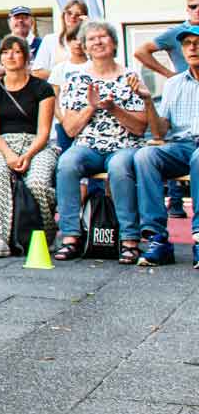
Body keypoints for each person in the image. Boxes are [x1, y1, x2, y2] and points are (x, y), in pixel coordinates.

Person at [53, 19, 152, 262]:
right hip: (88, 146)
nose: (97, 42)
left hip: (124, 146)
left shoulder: (130, 76)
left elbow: (140, 128)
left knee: (119, 166)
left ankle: (129, 240)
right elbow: (70, 129)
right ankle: (70, 237)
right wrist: (92, 106)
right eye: (91, 39)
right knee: (67, 163)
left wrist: (114, 109)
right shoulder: (76, 79)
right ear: (85, 46)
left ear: (114, 43)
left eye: (103, 37)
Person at [0, 35, 58, 259]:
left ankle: (46, 234)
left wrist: (28, 154)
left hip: (36, 144)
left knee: (37, 183)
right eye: (5, 52)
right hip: (1, 144)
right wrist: (9, 154)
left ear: (26, 56)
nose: (10, 56)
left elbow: (44, 131)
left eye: (16, 51)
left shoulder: (42, 88)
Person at [137, 26, 199, 266]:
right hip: (182, 146)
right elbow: (160, 132)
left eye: (197, 42)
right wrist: (147, 101)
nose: (192, 48)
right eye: (187, 44)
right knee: (145, 156)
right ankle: (157, 238)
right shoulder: (174, 84)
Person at [134, 0, 199, 80]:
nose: (197, 10)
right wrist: (169, 75)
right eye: (193, 7)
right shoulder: (177, 32)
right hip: (186, 84)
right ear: (187, 9)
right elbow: (141, 52)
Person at [33, 0, 88, 81]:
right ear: (63, 15)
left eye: (77, 15)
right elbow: (37, 72)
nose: (72, 17)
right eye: (69, 13)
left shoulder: (90, 41)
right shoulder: (50, 39)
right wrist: (65, 76)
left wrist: (89, 26)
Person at [0, 4, 39, 81]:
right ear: (9, 22)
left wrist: (4, 70)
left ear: (32, 22)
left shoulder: (42, 44)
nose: (20, 20)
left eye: (25, 18)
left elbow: (42, 71)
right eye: (16, 18)